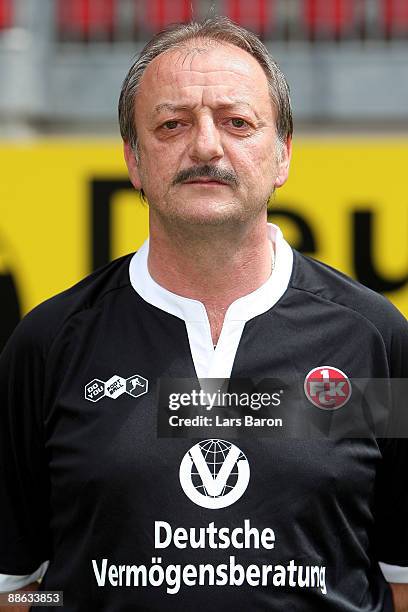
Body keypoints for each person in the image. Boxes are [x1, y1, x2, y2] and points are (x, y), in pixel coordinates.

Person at [0, 16, 407, 612]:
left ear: (283, 155)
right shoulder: (49, 343)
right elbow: (16, 592)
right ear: (134, 161)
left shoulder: (372, 341)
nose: (207, 146)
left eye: (238, 122)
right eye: (172, 124)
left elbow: (399, 582)